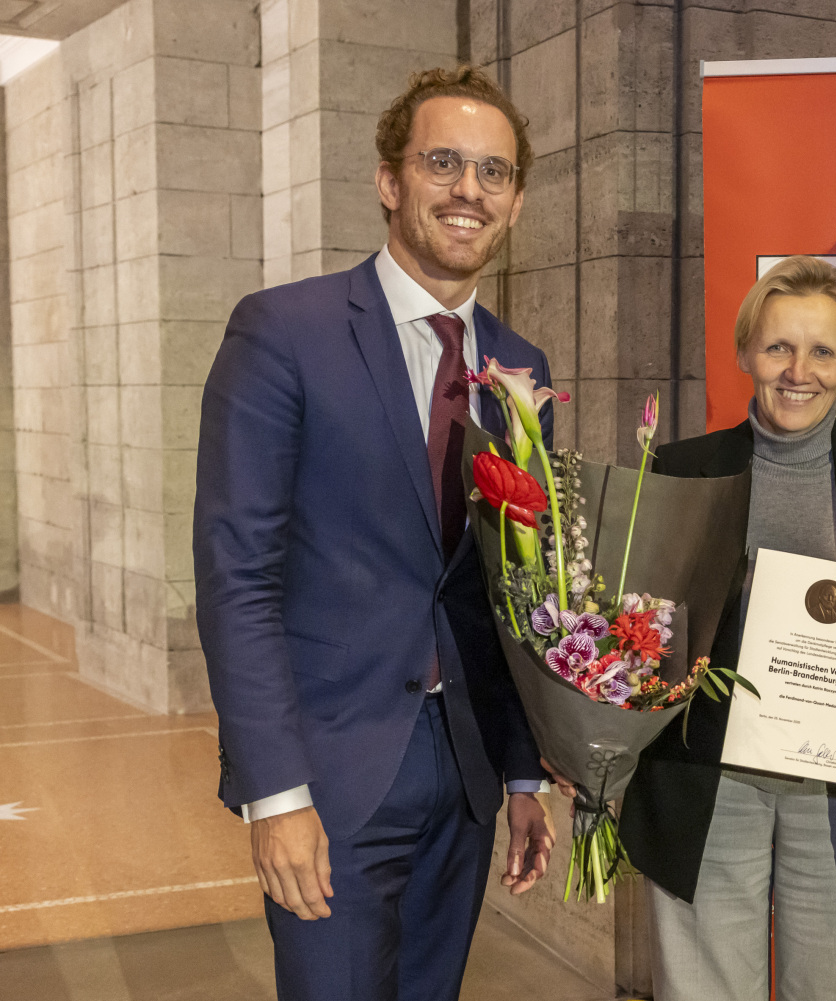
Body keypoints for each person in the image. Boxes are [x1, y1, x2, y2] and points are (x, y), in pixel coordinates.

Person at [195, 67, 564, 1001]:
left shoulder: (519, 367)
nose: (467, 189)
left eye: (493, 170)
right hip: (333, 774)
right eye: (443, 161)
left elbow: (510, 584)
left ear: (515, 201)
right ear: (391, 180)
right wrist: (274, 792)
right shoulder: (286, 331)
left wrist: (524, 771)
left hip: (468, 771)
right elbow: (237, 573)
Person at [619, 256, 836, 1001]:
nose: (799, 370)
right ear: (746, 354)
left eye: (823, 350)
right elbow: (642, 626)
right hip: (707, 786)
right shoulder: (680, 468)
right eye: (778, 348)